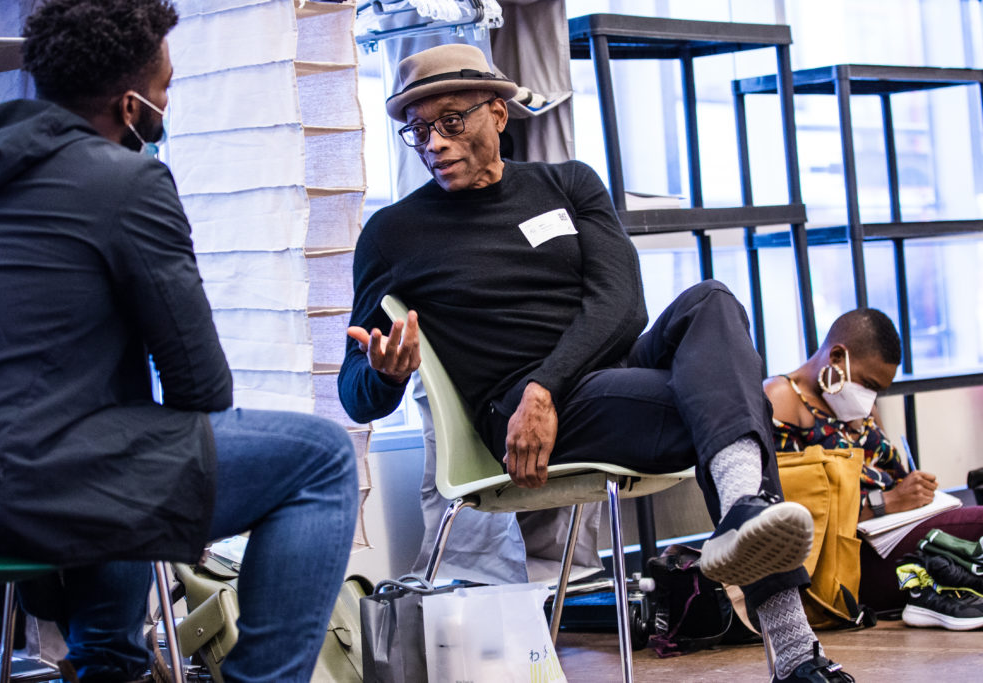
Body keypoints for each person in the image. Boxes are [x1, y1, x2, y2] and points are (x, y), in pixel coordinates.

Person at [339, 43, 854, 683]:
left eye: (450, 121)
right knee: (730, 411)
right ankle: (795, 650)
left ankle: (744, 507)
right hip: (516, 416)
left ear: (498, 112)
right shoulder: (392, 233)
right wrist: (386, 374)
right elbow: (353, 392)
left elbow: (623, 304)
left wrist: (546, 386)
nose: (433, 143)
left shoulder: (568, 183)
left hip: (581, 382)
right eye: (416, 129)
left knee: (711, 300)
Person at [0, 1, 358, 681]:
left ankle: (109, 660)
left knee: (122, 434)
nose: (167, 102)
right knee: (320, 459)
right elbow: (202, 388)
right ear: (131, 104)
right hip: (33, 487)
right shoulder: (127, 180)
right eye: (167, 88)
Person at [764, 308, 983, 617]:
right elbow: (786, 511)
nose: (869, 397)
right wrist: (885, 502)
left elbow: (890, 471)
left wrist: (914, 488)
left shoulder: (856, 406)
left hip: (895, 532)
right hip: (848, 557)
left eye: (878, 390)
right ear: (837, 356)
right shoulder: (781, 399)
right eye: (868, 383)